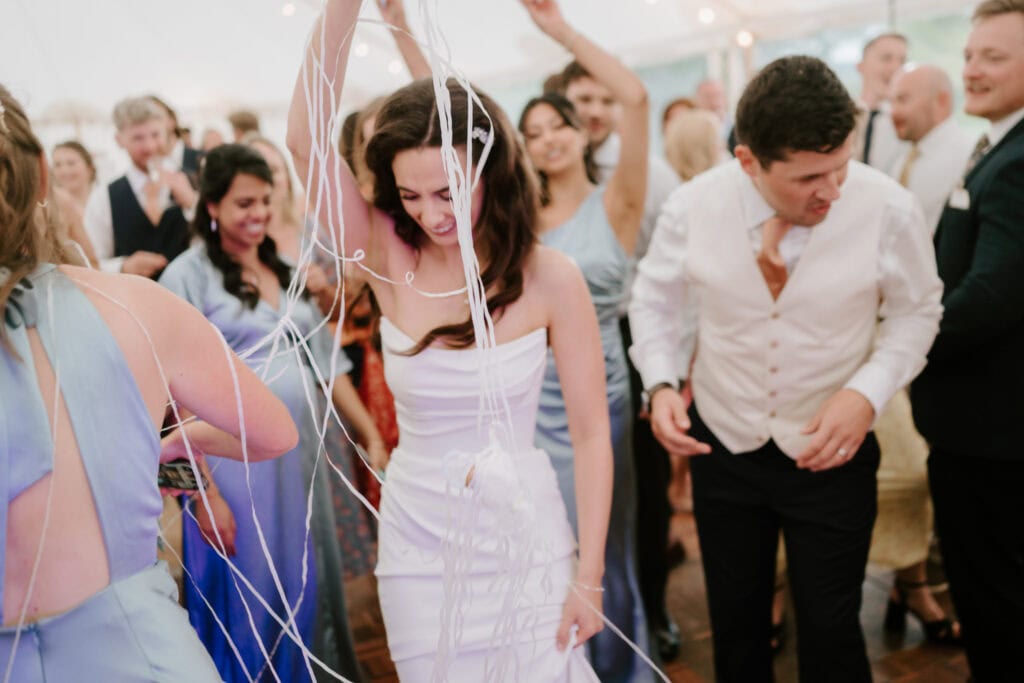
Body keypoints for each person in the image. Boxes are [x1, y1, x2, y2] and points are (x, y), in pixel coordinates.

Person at [287, 0, 614, 679]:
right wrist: (344, 7)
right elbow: (306, 141)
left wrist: (591, 573)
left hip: (525, 532)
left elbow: (589, 434)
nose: (430, 214)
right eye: (409, 195)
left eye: (447, 190)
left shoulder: (553, 278)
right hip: (418, 541)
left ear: (488, 168)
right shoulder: (383, 251)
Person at [630, 56, 943, 682]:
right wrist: (661, 381)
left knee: (832, 629)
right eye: (808, 178)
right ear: (749, 161)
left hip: (834, 453)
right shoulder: (692, 207)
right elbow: (654, 301)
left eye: (840, 167)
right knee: (737, 625)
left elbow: (918, 312)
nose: (831, 189)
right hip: (724, 445)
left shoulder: (888, 207)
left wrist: (867, 392)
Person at [0, 84, 298, 682]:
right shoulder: (139, 304)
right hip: (143, 654)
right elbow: (273, 433)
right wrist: (175, 445)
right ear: (40, 176)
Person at [160, 144, 380, 682]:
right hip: (235, 471)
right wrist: (202, 493)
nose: (258, 214)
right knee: (250, 587)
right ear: (211, 206)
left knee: (303, 581)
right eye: (243, 204)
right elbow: (170, 402)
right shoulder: (186, 276)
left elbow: (327, 363)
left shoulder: (282, 266)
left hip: (301, 461)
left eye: (264, 200)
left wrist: (370, 434)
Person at [519, 4, 654, 679]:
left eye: (558, 125)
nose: (548, 139)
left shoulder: (619, 201)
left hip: (601, 391)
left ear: (579, 131)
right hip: (532, 393)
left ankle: (620, 665)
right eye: (533, 131)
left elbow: (634, 96)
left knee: (605, 539)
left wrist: (559, 31)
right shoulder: (518, 224)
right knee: (549, 540)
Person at [556, 35, 683, 667]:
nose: (595, 110)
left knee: (642, 498)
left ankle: (649, 612)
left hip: (628, 336)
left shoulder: (645, 174)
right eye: (583, 98)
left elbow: (670, 270)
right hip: (551, 361)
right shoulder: (531, 189)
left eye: (604, 98)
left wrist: (663, 367)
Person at [910, 2, 1024, 679]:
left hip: (992, 431)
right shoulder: (999, 145)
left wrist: (903, 341)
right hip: (983, 426)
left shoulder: (1016, 162)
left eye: (995, 57)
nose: (973, 69)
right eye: (972, 53)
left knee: (994, 598)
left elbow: (991, 296)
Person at [83, 96, 196, 277]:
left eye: (155, 135)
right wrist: (122, 267)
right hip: (131, 300)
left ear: (166, 133)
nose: (149, 146)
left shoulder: (193, 180)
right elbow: (91, 263)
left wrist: (193, 204)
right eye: (138, 138)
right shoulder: (104, 196)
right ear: (119, 140)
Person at [888, 65, 975, 229]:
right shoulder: (902, 160)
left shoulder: (969, 159)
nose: (893, 111)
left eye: (902, 99)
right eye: (891, 101)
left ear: (942, 101)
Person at [856, 33, 909, 170]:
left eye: (902, 61)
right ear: (861, 66)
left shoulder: (907, 126)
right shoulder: (841, 117)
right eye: (886, 58)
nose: (895, 68)